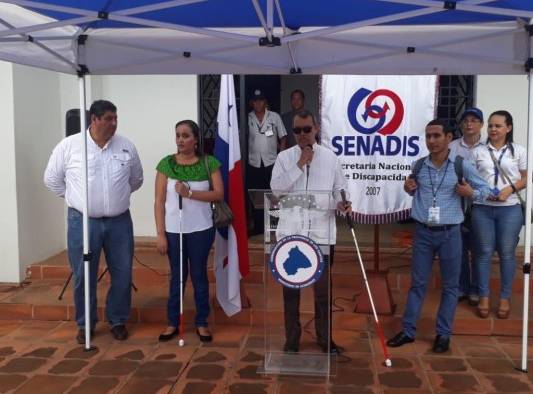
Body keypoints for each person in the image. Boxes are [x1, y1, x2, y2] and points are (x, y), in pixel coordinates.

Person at [44, 100, 144, 343]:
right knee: (83, 273)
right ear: (94, 119)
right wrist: (76, 200)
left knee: (122, 272)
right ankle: (85, 323)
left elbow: (136, 180)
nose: (113, 123)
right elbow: (52, 180)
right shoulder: (69, 146)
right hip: (83, 221)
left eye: (115, 118)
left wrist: (114, 199)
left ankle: (118, 319)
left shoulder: (126, 146)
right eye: (108, 118)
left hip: (119, 222)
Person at [387, 119, 490, 353]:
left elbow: (486, 189)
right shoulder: (419, 165)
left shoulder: (461, 165)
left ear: (449, 138)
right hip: (423, 232)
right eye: (428, 136)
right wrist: (408, 187)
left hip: (450, 233)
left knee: (451, 286)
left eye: (436, 136)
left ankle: (443, 334)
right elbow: (412, 189)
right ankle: (408, 331)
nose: (431, 141)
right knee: (418, 284)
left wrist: (470, 192)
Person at [270, 109, 351, 354]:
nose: (302, 135)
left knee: (323, 293)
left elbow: (340, 189)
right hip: (290, 237)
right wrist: (300, 164)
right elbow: (276, 190)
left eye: (307, 129)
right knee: (291, 293)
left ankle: (325, 340)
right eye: (297, 131)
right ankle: (292, 340)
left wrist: (342, 203)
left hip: (321, 235)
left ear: (316, 129)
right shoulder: (285, 158)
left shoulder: (331, 158)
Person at [155, 120, 223, 343]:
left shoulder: (209, 163)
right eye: (177, 135)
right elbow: (159, 201)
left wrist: (189, 193)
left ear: (195, 139)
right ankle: (173, 321)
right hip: (175, 232)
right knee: (177, 277)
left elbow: (218, 195)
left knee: (199, 275)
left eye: (185, 135)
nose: (180, 140)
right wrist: (161, 234)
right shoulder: (166, 164)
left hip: (201, 230)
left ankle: (202, 322)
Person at [471, 110, 526, 319]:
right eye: (491, 125)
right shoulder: (478, 151)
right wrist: (483, 192)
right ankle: (484, 296)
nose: (493, 129)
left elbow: (526, 177)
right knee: (483, 252)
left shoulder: (518, 151)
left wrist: (509, 190)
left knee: (506, 253)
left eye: (498, 126)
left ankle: (504, 297)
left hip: (510, 208)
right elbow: (471, 178)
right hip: (482, 207)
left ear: (508, 128)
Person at [449, 107, 485, 306]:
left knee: (480, 249)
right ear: (461, 124)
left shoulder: (489, 147)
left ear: (481, 124)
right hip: (458, 204)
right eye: (466, 120)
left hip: (482, 205)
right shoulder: (452, 146)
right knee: (460, 248)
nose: (469, 124)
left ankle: (477, 289)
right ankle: (462, 286)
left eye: (474, 120)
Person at [248, 89, 287, 235]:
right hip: (254, 163)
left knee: (273, 194)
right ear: (252, 103)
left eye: (261, 100)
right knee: (257, 195)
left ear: (265, 102)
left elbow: (283, 137)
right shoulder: (248, 117)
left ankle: (274, 225)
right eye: (255, 100)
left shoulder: (274, 117)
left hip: (271, 162)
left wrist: (281, 157)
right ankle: (258, 226)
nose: (258, 103)